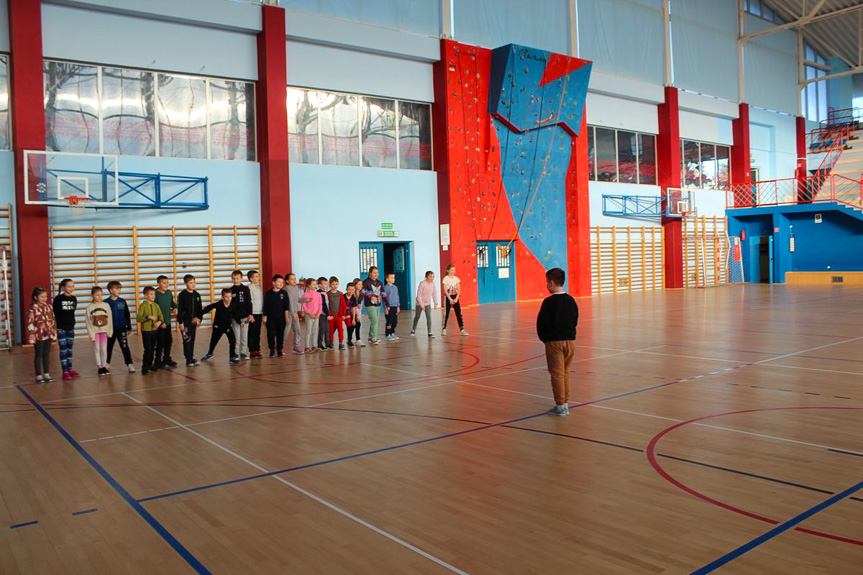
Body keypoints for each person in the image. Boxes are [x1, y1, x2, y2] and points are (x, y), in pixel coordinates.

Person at [536, 267, 579, 416]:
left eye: (547, 283)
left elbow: (541, 324)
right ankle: (565, 403)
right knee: (565, 372)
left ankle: (560, 406)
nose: (546, 285)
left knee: (557, 374)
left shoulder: (548, 302)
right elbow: (575, 320)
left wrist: (545, 339)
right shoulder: (571, 300)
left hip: (554, 342)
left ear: (552, 283)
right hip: (570, 341)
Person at [201, 288, 240, 364]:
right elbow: (208, 308)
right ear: (222, 297)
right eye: (226, 296)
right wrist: (200, 315)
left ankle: (232, 356)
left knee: (232, 340)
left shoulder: (232, 305)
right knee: (214, 341)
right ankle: (210, 353)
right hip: (218, 326)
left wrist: (240, 322)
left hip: (227, 326)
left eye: (230, 296)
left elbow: (235, 314)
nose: (228, 298)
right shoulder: (218, 304)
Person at [28, 287, 57, 383]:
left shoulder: (49, 306)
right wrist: (32, 335)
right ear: (36, 297)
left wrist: (53, 332)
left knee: (46, 354)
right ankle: (38, 375)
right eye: (42, 297)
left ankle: (47, 373)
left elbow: (52, 320)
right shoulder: (33, 308)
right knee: (38, 354)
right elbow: (30, 322)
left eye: (46, 296)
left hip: (48, 334)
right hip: (38, 335)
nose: (44, 298)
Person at [53, 278, 79, 380]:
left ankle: (70, 368)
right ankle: (65, 371)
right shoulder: (58, 299)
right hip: (61, 328)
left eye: (73, 286)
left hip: (70, 327)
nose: (71, 288)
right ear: (63, 287)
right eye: (69, 286)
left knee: (69, 349)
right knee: (63, 350)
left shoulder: (74, 299)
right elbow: (56, 312)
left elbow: (71, 313)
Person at [106, 281, 135, 373]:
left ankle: (129, 363)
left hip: (121, 328)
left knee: (124, 346)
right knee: (109, 347)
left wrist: (129, 327)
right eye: (116, 288)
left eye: (120, 288)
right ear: (111, 290)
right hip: (110, 329)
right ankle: (106, 363)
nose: (119, 290)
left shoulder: (122, 301)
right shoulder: (106, 302)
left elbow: (127, 314)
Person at [85, 286, 113, 376]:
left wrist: (110, 331)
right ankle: (99, 366)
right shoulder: (89, 307)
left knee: (104, 349)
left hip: (104, 331)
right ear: (92, 295)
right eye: (97, 295)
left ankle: (104, 366)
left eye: (101, 295)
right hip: (95, 331)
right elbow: (88, 322)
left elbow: (110, 319)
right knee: (97, 349)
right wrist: (91, 334)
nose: (99, 297)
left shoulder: (106, 305)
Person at [176, 274, 204, 367]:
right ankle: (188, 359)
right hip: (185, 321)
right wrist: (180, 322)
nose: (193, 285)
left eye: (194, 282)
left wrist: (199, 319)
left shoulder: (197, 295)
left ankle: (191, 357)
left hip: (194, 322)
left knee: (192, 340)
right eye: (190, 283)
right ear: (185, 283)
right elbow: (179, 310)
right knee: (187, 340)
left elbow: (199, 309)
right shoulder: (182, 295)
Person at [136, 286, 164, 375]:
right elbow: (138, 318)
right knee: (147, 348)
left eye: (154, 294)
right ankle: (144, 366)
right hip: (146, 331)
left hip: (154, 330)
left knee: (153, 348)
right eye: (151, 294)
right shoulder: (143, 306)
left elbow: (161, 316)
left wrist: (159, 322)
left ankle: (150, 365)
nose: (153, 296)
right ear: (145, 295)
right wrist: (147, 317)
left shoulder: (156, 305)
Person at [154, 275, 178, 369]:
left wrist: (175, 307)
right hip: (159, 322)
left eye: (167, 282)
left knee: (169, 340)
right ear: (159, 283)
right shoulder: (155, 294)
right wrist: (160, 321)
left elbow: (172, 303)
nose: (166, 284)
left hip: (167, 322)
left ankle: (167, 358)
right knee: (160, 342)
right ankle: (157, 360)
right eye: (164, 283)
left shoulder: (168, 293)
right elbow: (154, 309)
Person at [263, 274, 289, 357]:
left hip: (281, 318)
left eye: (282, 282)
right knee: (270, 334)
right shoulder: (268, 293)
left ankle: (279, 349)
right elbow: (265, 306)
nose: (281, 284)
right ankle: (272, 349)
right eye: (279, 282)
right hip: (270, 318)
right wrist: (265, 316)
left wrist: (287, 318)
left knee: (280, 334)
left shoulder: (284, 293)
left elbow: (286, 307)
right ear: (273, 283)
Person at [230, 270, 253, 359]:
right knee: (236, 337)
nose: (235, 280)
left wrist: (250, 314)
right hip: (235, 318)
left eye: (237, 278)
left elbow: (249, 302)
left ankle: (243, 352)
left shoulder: (245, 289)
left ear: (241, 278)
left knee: (244, 336)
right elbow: (232, 306)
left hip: (245, 316)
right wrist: (236, 318)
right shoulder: (231, 290)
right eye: (233, 278)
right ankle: (235, 353)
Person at [361, 266, 387, 345]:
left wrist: (387, 303)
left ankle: (371, 336)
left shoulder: (379, 282)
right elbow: (362, 292)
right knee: (374, 320)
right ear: (370, 273)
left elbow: (383, 293)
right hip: (369, 304)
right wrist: (359, 302)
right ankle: (373, 338)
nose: (376, 274)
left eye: (377, 273)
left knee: (375, 321)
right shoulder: (366, 282)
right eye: (374, 273)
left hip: (377, 304)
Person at [442, 263, 468, 336]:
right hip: (448, 297)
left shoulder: (456, 279)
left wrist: (456, 298)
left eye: (454, 270)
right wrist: (450, 299)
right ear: (448, 271)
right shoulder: (445, 279)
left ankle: (462, 329)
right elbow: (445, 290)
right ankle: (444, 328)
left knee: (458, 313)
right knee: (446, 314)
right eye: (452, 270)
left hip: (455, 297)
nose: (453, 271)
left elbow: (459, 290)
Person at [411, 271, 438, 338]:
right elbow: (419, 295)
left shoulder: (433, 284)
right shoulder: (422, 284)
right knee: (417, 316)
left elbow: (434, 293)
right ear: (426, 277)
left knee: (428, 317)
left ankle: (429, 332)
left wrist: (435, 303)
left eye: (433, 277)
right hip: (419, 303)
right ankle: (413, 329)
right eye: (430, 277)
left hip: (427, 303)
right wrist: (421, 305)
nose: (432, 278)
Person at [284, 273, 303, 355]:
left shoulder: (295, 288)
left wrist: (305, 299)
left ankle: (296, 347)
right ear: (287, 281)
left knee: (298, 330)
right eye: (292, 279)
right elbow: (290, 302)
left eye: (295, 278)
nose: (294, 280)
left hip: (294, 313)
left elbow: (297, 299)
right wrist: (293, 314)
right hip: (289, 313)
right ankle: (280, 347)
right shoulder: (287, 289)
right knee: (286, 331)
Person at [301, 277, 321, 354]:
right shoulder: (305, 294)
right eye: (313, 284)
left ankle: (314, 345)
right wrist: (309, 313)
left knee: (315, 331)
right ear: (309, 285)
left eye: (315, 284)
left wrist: (318, 313)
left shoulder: (318, 294)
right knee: (308, 331)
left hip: (316, 316)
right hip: (309, 316)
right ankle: (307, 346)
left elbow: (320, 304)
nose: (314, 285)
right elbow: (304, 305)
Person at [328, 276, 348, 350]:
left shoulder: (340, 294)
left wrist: (343, 315)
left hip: (339, 316)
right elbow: (327, 305)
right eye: (333, 284)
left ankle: (341, 343)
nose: (335, 286)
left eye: (336, 284)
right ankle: (331, 342)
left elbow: (343, 305)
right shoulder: (328, 294)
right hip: (331, 316)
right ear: (330, 285)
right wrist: (329, 314)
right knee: (331, 329)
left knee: (340, 329)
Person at [247, 270, 264, 358]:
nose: (258, 278)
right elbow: (250, 302)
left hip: (259, 312)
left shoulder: (258, 287)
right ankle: (252, 350)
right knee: (252, 332)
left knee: (257, 332)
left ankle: (257, 349)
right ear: (251, 279)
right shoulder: (249, 288)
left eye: (258, 276)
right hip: (253, 313)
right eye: (256, 276)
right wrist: (250, 314)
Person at [348, 278, 366, 347]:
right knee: (352, 326)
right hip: (352, 313)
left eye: (361, 284)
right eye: (359, 284)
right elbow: (354, 306)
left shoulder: (360, 293)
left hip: (357, 313)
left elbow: (359, 306)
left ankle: (358, 340)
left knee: (358, 325)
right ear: (355, 285)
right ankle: (349, 340)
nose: (361, 285)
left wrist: (359, 315)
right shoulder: (353, 294)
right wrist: (357, 315)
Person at [383, 272, 400, 341]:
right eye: (391, 278)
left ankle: (392, 332)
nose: (393, 279)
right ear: (387, 279)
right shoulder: (385, 288)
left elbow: (397, 296)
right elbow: (384, 298)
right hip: (389, 307)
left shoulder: (395, 287)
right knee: (389, 321)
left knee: (394, 321)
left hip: (395, 306)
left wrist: (398, 306)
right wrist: (385, 308)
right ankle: (388, 334)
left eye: (394, 278)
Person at [317, 276, 333, 351]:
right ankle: (320, 344)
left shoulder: (325, 293)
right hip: (322, 314)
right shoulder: (320, 293)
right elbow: (323, 305)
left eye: (327, 284)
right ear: (319, 285)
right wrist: (328, 314)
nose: (326, 285)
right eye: (325, 284)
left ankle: (328, 343)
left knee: (327, 330)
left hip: (326, 314)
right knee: (322, 330)